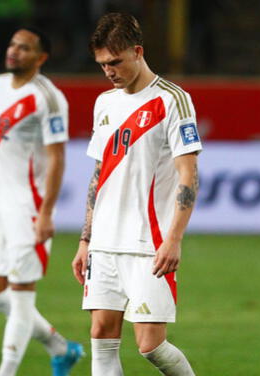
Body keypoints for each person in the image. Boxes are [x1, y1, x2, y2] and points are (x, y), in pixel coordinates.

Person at [71, 13, 200, 375]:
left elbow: (189, 175)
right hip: (104, 242)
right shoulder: (105, 103)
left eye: (115, 62)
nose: (108, 71)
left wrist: (173, 239)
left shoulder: (173, 100)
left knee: (151, 346)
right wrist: (86, 239)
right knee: (101, 336)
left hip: (149, 243)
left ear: (138, 51)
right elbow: (99, 175)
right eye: (102, 65)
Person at [0, 27, 83, 376]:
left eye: (24, 48)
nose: (14, 51)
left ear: (41, 57)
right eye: (12, 45)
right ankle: (61, 348)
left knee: (21, 295)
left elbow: (57, 158)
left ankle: (5, 371)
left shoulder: (49, 99)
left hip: (28, 207)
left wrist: (47, 212)